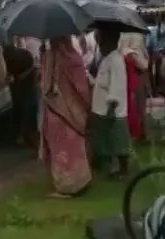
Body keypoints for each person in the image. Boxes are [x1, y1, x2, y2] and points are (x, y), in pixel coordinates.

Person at [39, 36, 92, 197]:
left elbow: (45, 87)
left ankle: (66, 186)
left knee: (60, 148)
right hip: (75, 112)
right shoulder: (74, 57)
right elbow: (82, 88)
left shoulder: (51, 57)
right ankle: (81, 181)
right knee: (75, 147)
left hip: (56, 112)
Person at [92, 26, 131, 178]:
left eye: (100, 42)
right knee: (106, 138)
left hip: (112, 108)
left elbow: (117, 85)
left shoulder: (115, 60)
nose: (99, 46)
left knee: (118, 139)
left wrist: (112, 106)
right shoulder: (106, 59)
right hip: (102, 107)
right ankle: (106, 165)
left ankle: (123, 169)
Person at [4, 42, 37, 146]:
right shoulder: (23, 54)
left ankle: (23, 136)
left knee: (22, 110)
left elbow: (32, 67)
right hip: (24, 85)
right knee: (25, 110)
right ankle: (25, 136)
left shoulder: (18, 56)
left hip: (23, 85)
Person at [119, 31, 149, 142]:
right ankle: (140, 132)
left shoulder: (121, 36)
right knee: (139, 106)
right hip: (136, 76)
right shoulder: (138, 37)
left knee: (127, 105)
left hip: (123, 75)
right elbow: (143, 64)